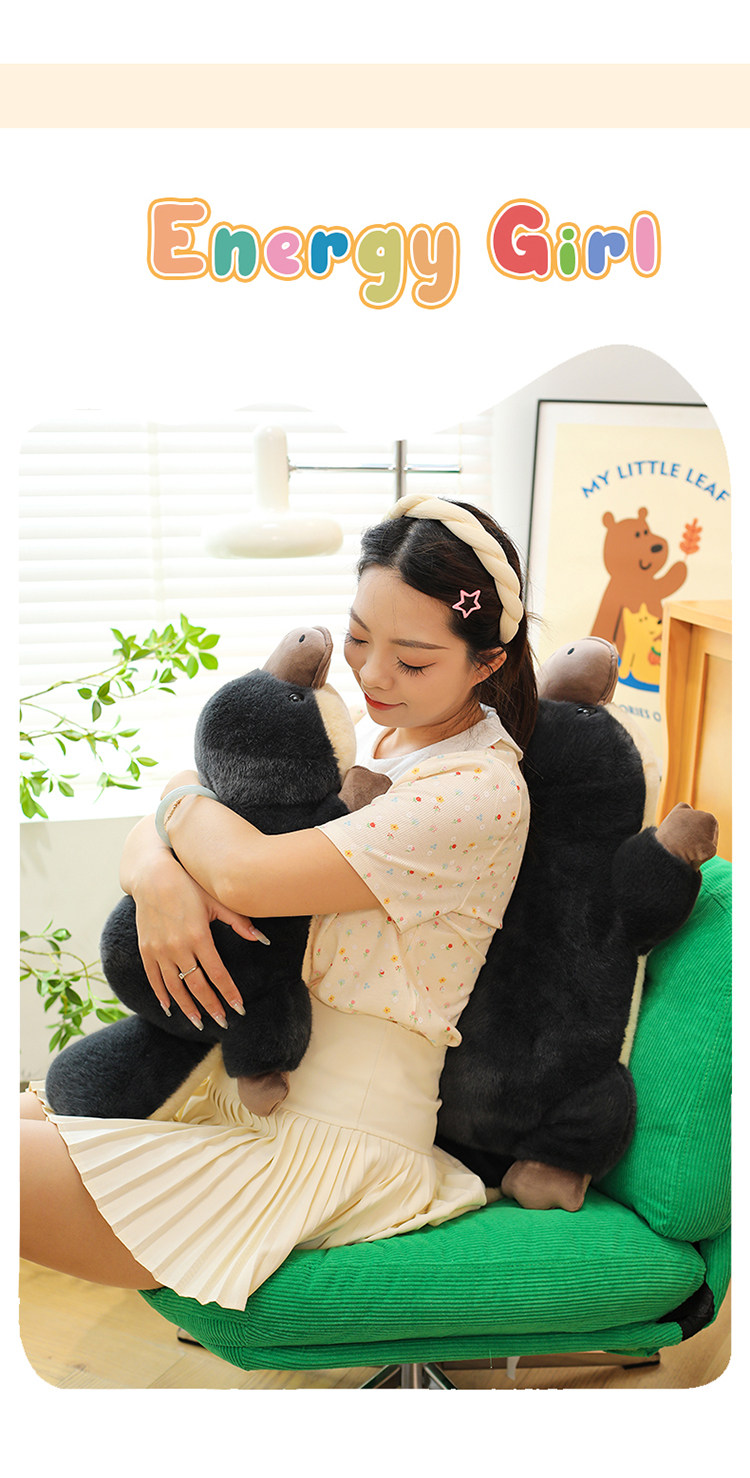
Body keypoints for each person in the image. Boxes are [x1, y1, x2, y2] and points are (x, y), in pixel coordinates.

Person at [20, 493, 537, 1311]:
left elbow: (241, 869)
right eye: (358, 638)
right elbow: (195, 786)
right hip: (227, 1082)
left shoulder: (477, 791)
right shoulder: (374, 734)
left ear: (486, 663)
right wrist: (156, 873)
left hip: (324, 1138)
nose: (372, 675)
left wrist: (171, 831)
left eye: (412, 661)